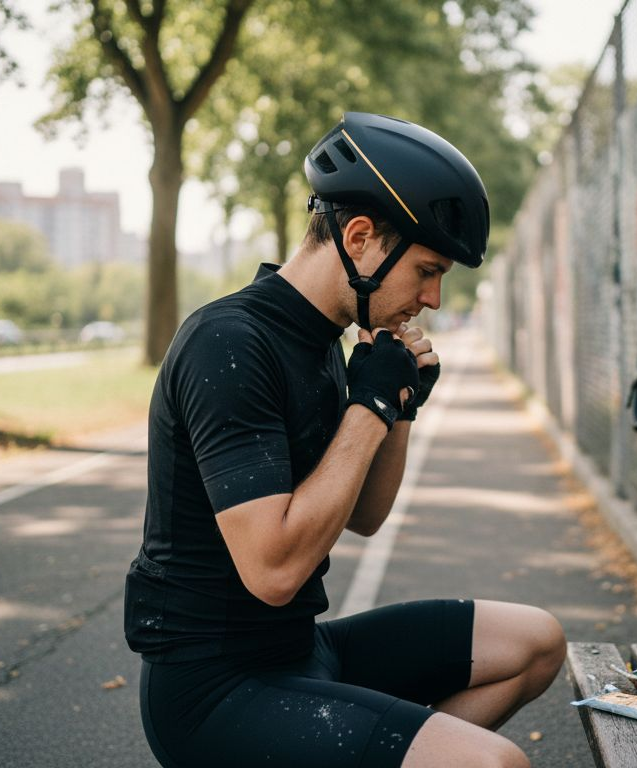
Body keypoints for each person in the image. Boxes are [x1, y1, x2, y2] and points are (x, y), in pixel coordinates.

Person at [124, 112, 566, 768]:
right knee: (494, 765)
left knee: (537, 642)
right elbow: (273, 570)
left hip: (302, 650)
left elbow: (364, 514)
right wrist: (371, 403)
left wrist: (399, 408)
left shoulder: (329, 341)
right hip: (215, 689)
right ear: (359, 238)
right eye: (425, 270)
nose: (435, 298)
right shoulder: (229, 345)